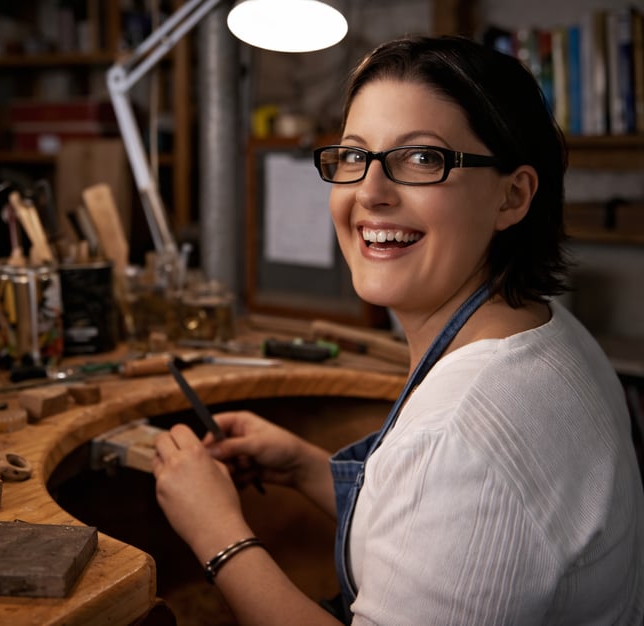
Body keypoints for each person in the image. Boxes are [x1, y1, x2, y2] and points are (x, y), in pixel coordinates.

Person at [151, 35, 644, 624]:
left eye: (422, 159)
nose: (369, 192)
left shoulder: (458, 440)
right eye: (355, 155)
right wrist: (307, 468)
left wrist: (216, 533)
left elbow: (461, 476)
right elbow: (454, 539)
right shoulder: (549, 329)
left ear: (512, 197)